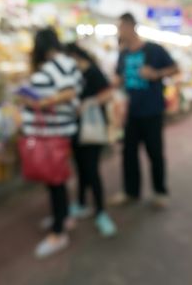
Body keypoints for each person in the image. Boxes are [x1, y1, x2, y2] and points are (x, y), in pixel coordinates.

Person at [20, 28, 82, 259]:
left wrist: (41, 102)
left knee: (55, 180)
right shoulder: (63, 63)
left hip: (52, 133)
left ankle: (59, 232)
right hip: (53, 131)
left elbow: (68, 92)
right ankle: (62, 217)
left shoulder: (59, 63)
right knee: (56, 179)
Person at [113, 13, 179, 208]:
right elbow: (119, 77)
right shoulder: (123, 54)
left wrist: (156, 74)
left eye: (120, 27)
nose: (119, 31)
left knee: (155, 153)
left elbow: (175, 68)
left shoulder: (153, 50)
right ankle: (131, 191)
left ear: (129, 26)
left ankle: (160, 192)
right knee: (128, 154)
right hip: (130, 111)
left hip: (151, 111)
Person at [64, 43, 117, 237]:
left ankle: (101, 212)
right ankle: (81, 203)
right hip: (77, 129)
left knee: (92, 170)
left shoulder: (93, 72)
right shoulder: (73, 75)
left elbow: (109, 93)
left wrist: (89, 103)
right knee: (81, 168)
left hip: (92, 130)